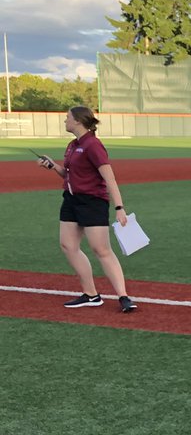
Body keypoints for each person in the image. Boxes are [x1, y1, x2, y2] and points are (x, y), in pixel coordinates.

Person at [35, 105, 137, 313]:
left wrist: (119, 207)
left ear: (78, 121)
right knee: (68, 245)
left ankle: (123, 297)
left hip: (92, 202)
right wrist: (53, 166)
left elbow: (109, 178)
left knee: (101, 250)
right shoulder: (73, 145)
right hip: (71, 200)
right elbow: (69, 175)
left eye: (67, 118)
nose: (65, 121)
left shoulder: (93, 145)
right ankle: (91, 294)